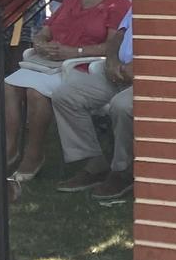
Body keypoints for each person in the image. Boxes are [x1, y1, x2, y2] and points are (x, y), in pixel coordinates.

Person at [1, 0, 131, 181]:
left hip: (81, 67)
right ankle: (9, 150)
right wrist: (40, 42)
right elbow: (46, 29)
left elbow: (112, 46)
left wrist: (73, 52)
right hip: (48, 62)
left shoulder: (119, 4)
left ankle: (34, 155)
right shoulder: (72, 0)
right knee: (9, 85)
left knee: (35, 93)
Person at [54, 13, 137, 199]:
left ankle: (122, 171)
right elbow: (119, 35)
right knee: (65, 96)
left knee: (122, 106)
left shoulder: (174, 1)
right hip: (117, 72)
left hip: (151, 75)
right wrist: (112, 61)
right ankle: (95, 163)